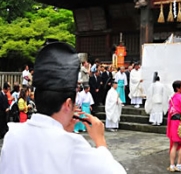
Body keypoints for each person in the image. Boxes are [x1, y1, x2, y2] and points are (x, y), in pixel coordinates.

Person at [0, 42, 126, 174]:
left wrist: (64, 130)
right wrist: (100, 140)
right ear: (68, 104)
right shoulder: (72, 145)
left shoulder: (13, 135)